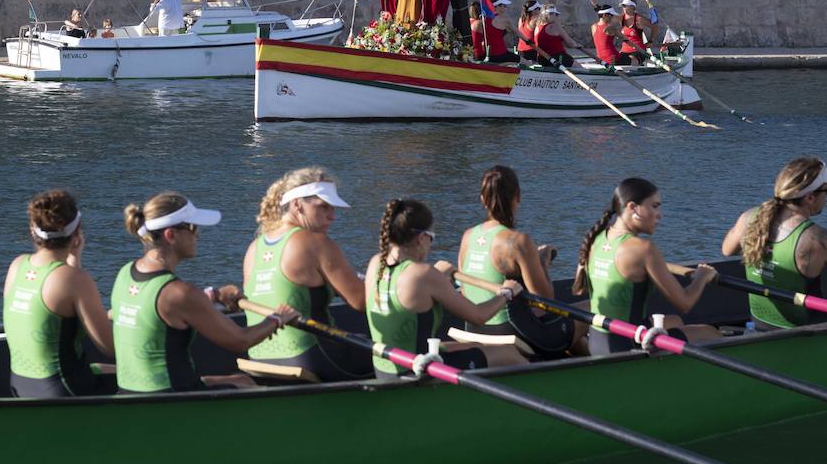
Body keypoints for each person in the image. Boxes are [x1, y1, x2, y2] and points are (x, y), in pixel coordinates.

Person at [114, 192, 297, 393]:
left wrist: (213, 296)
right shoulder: (179, 293)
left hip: (131, 392)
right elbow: (240, 340)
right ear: (171, 235)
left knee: (242, 380)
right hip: (173, 399)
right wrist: (278, 319)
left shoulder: (125, 273)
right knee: (250, 386)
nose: (197, 234)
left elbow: (166, 308)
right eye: (192, 227)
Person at [366, 199, 526, 378]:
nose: (430, 245)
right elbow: (478, 316)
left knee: (474, 345)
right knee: (507, 353)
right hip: (417, 373)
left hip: (385, 369)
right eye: (431, 238)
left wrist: (438, 277)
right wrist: (507, 292)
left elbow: (413, 289)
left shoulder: (375, 264)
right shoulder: (424, 274)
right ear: (421, 238)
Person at [240, 168, 371, 381]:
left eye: (333, 208)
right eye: (323, 207)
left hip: (258, 357)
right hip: (311, 357)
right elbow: (362, 301)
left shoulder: (254, 248)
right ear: (297, 205)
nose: (332, 216)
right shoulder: (315, 242)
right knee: (421, 354)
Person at [720, 157, 827, 329]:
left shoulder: (748, 218)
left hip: (761, 322)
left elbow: (727, 250)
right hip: (803, 328)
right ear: (810, 198)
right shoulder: (817, 238)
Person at [574, 179, 719, 353]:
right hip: (629, 345)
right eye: (655, 206)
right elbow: (685, 304)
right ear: (633, 207)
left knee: (675, 321)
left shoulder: (595, 238)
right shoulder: (643, 249)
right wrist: (702, 276)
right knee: (710, 332)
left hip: (598, 341)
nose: (660, 214)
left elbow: (579, 288)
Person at [2, 189, 114, 397]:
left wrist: (73, 261)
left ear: (32, 230)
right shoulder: (74, 280)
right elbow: (110, 347)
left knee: (103, 368)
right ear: (77, 232)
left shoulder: (17, 266)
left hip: (22, 386)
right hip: (64, 392)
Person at [456, 165, 574, 358]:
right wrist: (543, 262)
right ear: (517, 196)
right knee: (587, 309)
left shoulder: (468, 236)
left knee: (560, 327)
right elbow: (545, 300)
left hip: (474, 329)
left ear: (482, 200)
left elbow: (465, 290)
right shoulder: (518, 241)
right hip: (510, 332)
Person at [481, 0, 518, 64]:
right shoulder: (501, 19)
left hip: (491, 53)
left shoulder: (485, 18)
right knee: (524, 63)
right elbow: (518, 34)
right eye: (504, 6)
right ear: (498, 6)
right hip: (499, 53)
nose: (505, 8)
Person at [517, 0, 543, 65]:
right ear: (534, 10)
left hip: (520, 51)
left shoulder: (521, 19)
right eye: (539, 9)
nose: (540, 11)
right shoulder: (536, 19)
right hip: (531, 51)